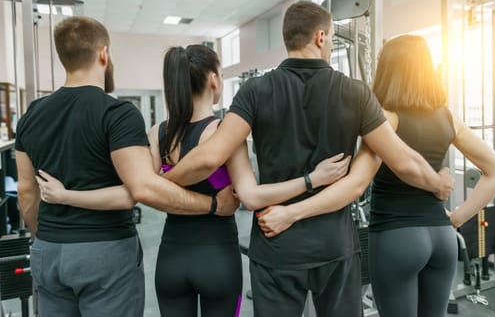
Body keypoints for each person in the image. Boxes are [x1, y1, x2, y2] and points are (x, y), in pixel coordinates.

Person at [158, 1, 454, 317]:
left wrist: (159, 183)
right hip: (334, 246)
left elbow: (210, 157)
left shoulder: (255, 90)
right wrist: (438, 184)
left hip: (276, 245)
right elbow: (403, 161)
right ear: (321, 37)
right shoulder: (355, 92)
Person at [37, 44, 350, 317]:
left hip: (170, 262)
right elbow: (248, 193)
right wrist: (311, 178)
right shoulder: (226, 133)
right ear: (214, 79)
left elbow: (144, 188)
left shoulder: (157, 132)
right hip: (219, 263)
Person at [15, 16, 239, 317]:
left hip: (48, 249)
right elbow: (141, 188)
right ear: (104, 54)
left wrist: (48, 236)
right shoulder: (117, 113)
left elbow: (27, 191)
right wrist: (213, 204)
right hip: (104, 250)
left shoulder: (31, 114)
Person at [366, 35, 495, 317]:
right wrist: (456, 218)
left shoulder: (385, 118)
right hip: (442, 238)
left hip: (396, 236)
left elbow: (357, 176)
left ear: (387, 71)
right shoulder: (447, 118)